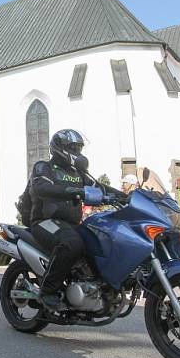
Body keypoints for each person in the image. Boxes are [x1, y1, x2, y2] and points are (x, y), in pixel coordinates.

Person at [27, 129, 124, 311]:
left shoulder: (78, 173)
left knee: (101, 240)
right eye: (73, 148)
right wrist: (74, 191)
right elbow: (41, 187)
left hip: (71, 224)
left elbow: (101, 187)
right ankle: (47, 291)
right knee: (72, 243)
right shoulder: (44, 167)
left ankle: (96, 288)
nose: (77, 153)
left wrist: (126, 196)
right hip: (44, 221)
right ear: (60, 148)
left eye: (79, 148)